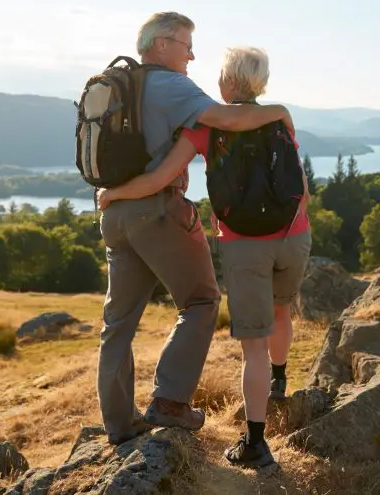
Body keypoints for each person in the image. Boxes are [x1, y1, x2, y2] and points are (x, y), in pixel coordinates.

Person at [97, 45, 311, 470]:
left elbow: (158, 178)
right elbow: (300, 190)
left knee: (253, 351)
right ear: (261, 82)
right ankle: (281, 379)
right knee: (282, 312)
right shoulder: (280, 123)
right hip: (294, 237)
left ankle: (255, 443)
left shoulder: (206, 128)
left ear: (228, 82)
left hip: (244, 245)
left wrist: (115, 193)